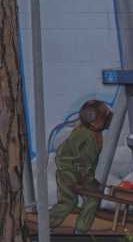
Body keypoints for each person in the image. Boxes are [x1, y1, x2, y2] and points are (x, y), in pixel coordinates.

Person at [46, 100, 112, 234]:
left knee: (92, 198)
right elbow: (82, 161)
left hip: (78, 174)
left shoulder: (92, 134)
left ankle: (80, 230)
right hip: (70, 174)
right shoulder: (85, 135)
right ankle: (46, 225)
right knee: (69, 202)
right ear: (95, 119)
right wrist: (84, 180)